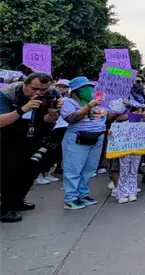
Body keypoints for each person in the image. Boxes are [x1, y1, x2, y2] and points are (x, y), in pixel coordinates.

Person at [0, 73, 63, 222]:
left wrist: (53, 113)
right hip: (8, 138)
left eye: (43, 90)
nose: (39, 93)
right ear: (25, 84)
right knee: (10, 172)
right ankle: (6, 208)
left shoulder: (52, 94)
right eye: (35, 88)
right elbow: (1, 121)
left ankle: (18, 200)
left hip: (34, 137)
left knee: (32, 169)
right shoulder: (8, 94)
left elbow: (48, 121)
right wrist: (23, 109)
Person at [60, 76, 123, 210]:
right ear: (77, 90)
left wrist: (121, 106)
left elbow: (107, 117)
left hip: (97, 137)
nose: (89, 89)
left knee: (89, 169)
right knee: (74, 169)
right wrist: (89, 106)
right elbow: (71, 118)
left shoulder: (99, 102)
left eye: (90, 87)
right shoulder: (68, 102)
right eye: (85, 87)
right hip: (77, 138)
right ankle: (71, 198)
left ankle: (83, 194)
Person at [35, 79, 71, 185]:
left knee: (52, 152)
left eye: (64, 87)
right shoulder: (40, 98)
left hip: (58, 127)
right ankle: (38, 175)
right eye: (59, 86)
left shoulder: (63, 99)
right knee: (41, 152)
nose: (61, 89)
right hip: (45, 128)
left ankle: (46, 173)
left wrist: (55, 110)